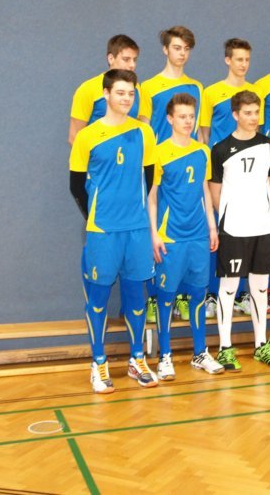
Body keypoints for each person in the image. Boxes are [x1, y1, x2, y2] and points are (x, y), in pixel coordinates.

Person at [69, 69, 158, 393]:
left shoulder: (144, 133)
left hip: (136, 230)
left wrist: (134, 212)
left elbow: (148, 178)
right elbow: (76, 185)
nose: (126, 99)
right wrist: (98, 215)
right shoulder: (87, 136)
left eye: (131, 94)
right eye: (120, 92)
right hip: (103, 231)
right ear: (106, 94)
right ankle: (98, 362)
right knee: (98, 299)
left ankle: (137, 359)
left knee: (136, 298)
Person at [148, 93, 225, 378]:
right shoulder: (158, 152)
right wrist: (154, 234)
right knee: (166, 296)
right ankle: (165, 355)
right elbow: (151, 197)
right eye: (182, 116)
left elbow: (205, 189)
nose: (188, 121)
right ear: (170, 119)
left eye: (191, 116)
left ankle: (200, 352)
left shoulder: (202, 151)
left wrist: (212, 227)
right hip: (171, 236)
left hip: (199, 236)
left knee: (198, 294)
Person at [209, 90, 270, 370]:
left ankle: (261, 345)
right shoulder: (220, 149)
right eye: (248, 113)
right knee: (228, 288)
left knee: (260, 287)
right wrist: (232, 215)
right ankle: (225, 347)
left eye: (256, 112)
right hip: (233, 228)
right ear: (235, 114)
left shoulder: (269, 146)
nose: (254, 118)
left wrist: (258, 209)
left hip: (263, 226)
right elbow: (215, 193)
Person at [139, 26, 204, 322]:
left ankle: (180, 297)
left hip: (186, 171)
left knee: (186, 239)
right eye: (177, 47)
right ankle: (155, 297)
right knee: (158, 233)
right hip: (160, 168)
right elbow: (143, 129)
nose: (182, 53)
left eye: (186, 49)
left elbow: (200, 133)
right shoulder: (149, 87)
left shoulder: (196, 87)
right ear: (166, 49)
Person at [199, 38, 257, 319]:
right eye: (238, 59)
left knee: (245, 233)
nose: (243, 64)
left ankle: (242, 294)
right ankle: (213, 294)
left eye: (247, 59)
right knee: (219, 232)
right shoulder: (211, 92)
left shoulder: (255, 93)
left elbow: (256, 131)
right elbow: (204, 134)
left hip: (247, 171)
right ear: (227, 60)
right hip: (220, 170)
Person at [68, 34, 141, 146]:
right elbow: (74, 138)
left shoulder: (136, 89)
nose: (132, 65)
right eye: (126, 59)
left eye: (134, 60)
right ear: (111, 58)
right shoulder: (88, 89)